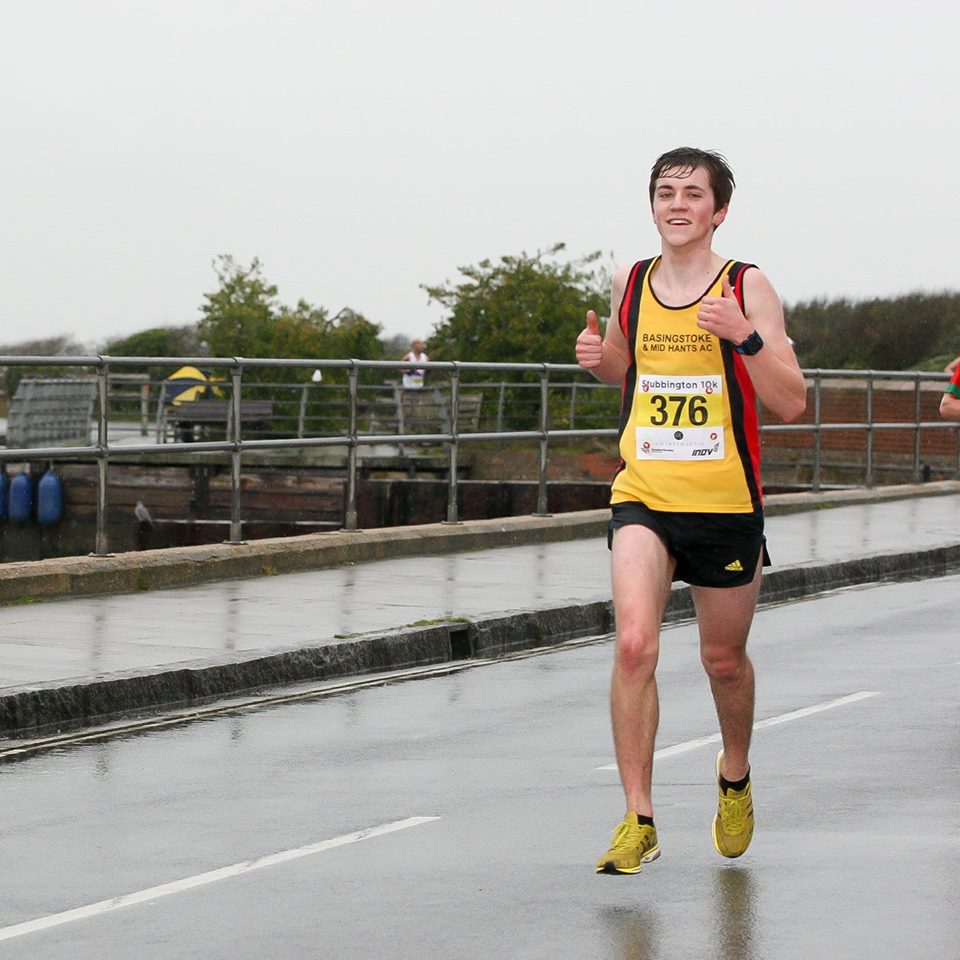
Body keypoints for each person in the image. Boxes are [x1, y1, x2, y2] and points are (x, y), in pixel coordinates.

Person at [575, 147, 807, 875]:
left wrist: (745, 334)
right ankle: (638, 818)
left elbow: (791, 401)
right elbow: (629, 368)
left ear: (719, 211)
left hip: (725, 503)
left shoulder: (746, 285)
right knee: (634, 646)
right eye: (665, 192)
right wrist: (599, 359)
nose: (677, 204)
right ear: (652, 205)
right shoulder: (632, 281)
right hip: (643, 493)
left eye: (693, 193)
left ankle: (734, 774)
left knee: (722, 660)